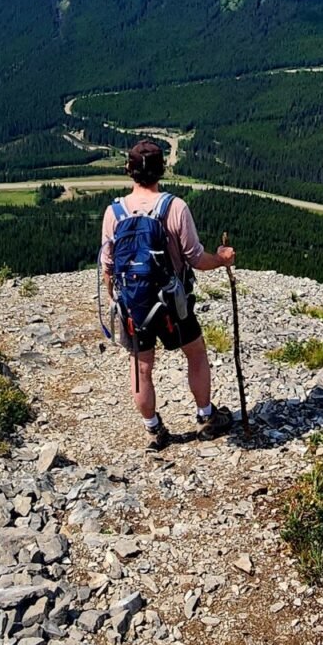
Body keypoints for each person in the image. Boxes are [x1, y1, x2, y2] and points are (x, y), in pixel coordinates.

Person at [99, 139, 237, 450]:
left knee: (142, 367)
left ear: (128, 171)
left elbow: (108, 267)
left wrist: (117, 300)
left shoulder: (114, 212)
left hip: (134, 305)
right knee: (196, 354)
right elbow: (196, 260)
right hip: (173, 304)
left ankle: (154, 429)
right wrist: (222, 259)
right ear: (163, 169)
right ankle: (205, 416)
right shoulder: (174, 207)